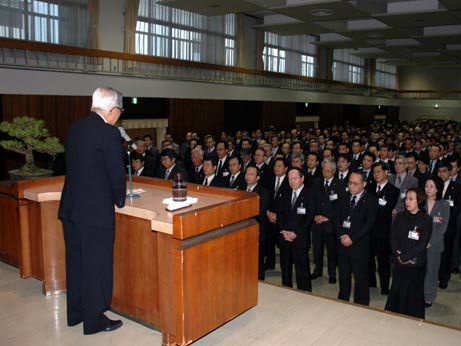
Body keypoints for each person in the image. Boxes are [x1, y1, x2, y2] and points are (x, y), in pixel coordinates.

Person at [58, 87, 126, 335]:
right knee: (97, 266)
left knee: (76, 264)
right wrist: (120, 200)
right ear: (113, 110)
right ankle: (95, 319)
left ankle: (76, 313)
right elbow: (116, 173)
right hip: (95, 212)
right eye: (119, 111)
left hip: (71, 208)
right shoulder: (108, 133)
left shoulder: (75, 127)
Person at [385, 188, 432, 319]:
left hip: (416, 263)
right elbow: (392, 237)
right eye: (406, 198)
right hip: (399, 261)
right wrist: (399, 254)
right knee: (397, 288)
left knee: (414, 292)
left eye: (411, 199)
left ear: (419, 201)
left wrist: (406, 257)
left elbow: (422, 243)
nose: (407, 201)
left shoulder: (426, 220)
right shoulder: (400, 216)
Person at [336, 171, 378, 306]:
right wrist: (342, 235)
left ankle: (361, 302)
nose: (351, 186)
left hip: (359, 244)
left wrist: (352, 239)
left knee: (360, 276)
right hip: (343, 241)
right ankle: (343, 298)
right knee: (343, 273)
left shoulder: (371, 200)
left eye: (355, 183)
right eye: (350, 182)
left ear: (364, 184)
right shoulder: (343, 196)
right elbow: (336, 217)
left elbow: (368, 224)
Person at [277, 167, 314, 291]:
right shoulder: (285, 193)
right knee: (285, 267)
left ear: (302, 178)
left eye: (295, 178)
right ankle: (287, 290)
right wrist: (283, 230)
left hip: (300, 238)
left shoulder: (309, 194)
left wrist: (295, 233)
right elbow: (280, 214)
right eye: (289, 179)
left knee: (302, 268)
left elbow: (308, 219)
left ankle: (305, 293)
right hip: (285, 237)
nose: (292, 182)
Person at [367, 161, 399, 295]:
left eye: (379, 172)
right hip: (368, 230)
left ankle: (385, 286)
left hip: (383, 231)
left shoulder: (393, 191)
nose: (376, 175)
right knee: (368, 258)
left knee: (383, 261)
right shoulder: (369, 188)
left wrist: (372, 211)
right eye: (374, 172)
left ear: (386, 172)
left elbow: (386, 211)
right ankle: (371, 281)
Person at [311, 159, 339, 283]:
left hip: (330, 223)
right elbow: (311, 201)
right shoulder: (316, 182)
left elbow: (340, 205)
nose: (326, 173)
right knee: (317, 248)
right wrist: (315, 215)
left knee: (331, 250)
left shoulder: (340, 184)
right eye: (324, 170)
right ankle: (317, 270)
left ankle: (332, 273)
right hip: (317, 222)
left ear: (334, 171)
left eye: (329, 170)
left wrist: (328, 217)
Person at [423, 176, 450, 308]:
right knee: (420, 271)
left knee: (431, 272)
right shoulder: (421, 202)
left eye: (431, 186)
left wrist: (430, 242)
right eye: (427, 186)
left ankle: (429, 296)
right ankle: (418, 294)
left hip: (435, 244)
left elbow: (443, 226)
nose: (428, 189)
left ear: (438, 188)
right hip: (419, 243)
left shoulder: (444, 204)